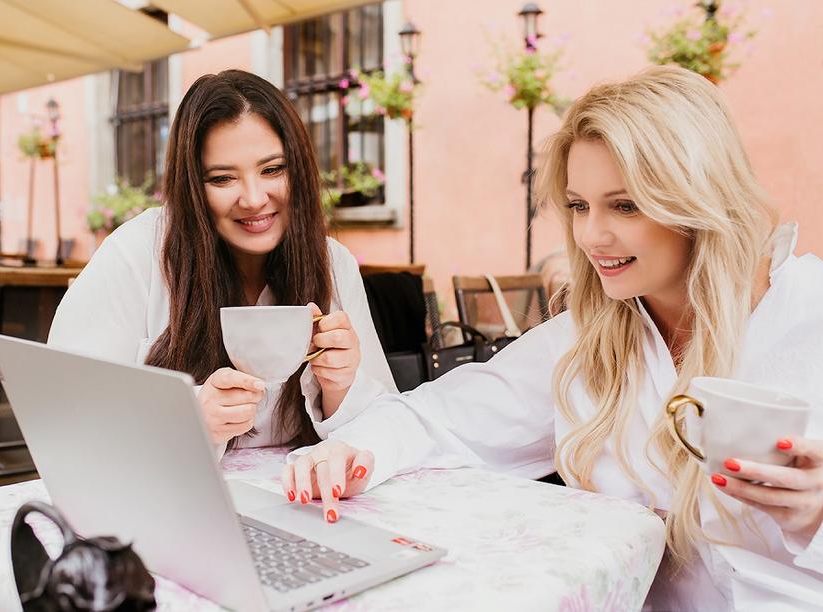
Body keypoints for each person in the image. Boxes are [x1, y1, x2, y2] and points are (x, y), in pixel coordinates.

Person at [281, 66, 823, 609]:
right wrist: (352, 453)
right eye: (579, 206)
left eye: (626, 205)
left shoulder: (807, 318)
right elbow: (436, 417)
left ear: (697, 198)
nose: (589, 235)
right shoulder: (588, 340)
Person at [49, 70, 396, 468]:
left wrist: (341, 388)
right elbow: (66, 416)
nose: (253, 198)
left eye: (272, 170)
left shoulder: (333, 264)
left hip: (297, 508)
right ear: (192, 187)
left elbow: (389, 428)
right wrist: (189, 418)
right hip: (171, 507)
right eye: (222, 178)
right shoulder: (136, 254)